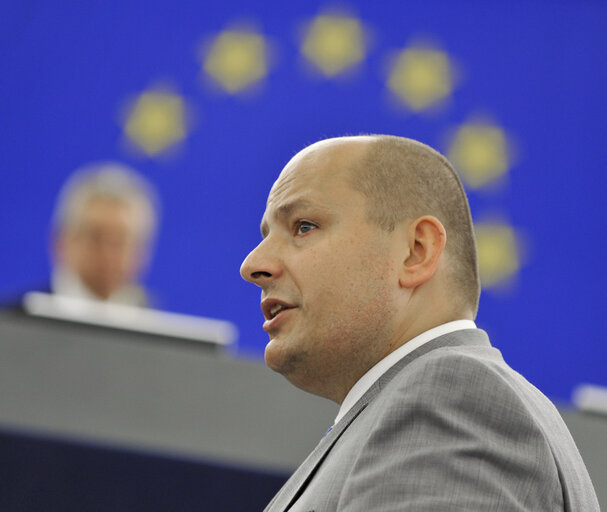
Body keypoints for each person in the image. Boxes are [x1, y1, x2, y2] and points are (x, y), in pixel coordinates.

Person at [240, 135, 599, 511]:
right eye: (267, 235)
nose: (253, 265)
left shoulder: (451, 397)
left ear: (416, 251)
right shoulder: (428, 406)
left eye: (304, 226)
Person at [47, 161, 159, 307]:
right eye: (95, 237)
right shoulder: (17, 323)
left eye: (120, 241)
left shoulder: (153, 323)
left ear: (142, 252)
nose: (108, 254)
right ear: (64, 242)